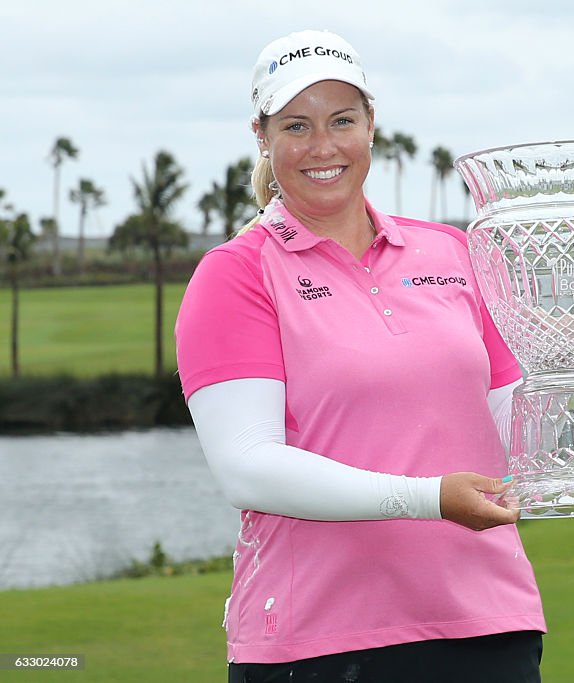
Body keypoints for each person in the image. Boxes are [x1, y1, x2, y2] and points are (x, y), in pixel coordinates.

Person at [175, 29, 546, 683]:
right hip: (318, 641)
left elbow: (516, 423)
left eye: (342, 120)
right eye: (297, 125)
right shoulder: (236, 275)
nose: (323, 146)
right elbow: (248, 469)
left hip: (488, 621)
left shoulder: (452, 252)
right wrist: (429, 497)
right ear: (262, 136)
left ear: (371, 125)